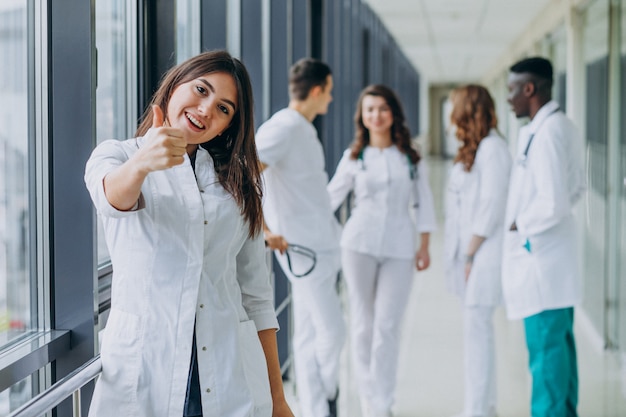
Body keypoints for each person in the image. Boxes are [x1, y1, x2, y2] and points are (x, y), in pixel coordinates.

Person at [84, 50, 294, 417]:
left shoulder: (237, 184)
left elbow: (256, 297)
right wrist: (142, 164)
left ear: (228, 125)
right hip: (147, 369)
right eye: (201, 89)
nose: (207, 109)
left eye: (224, 108)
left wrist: (278, 401)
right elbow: (111, 198)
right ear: (175, 85)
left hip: (227, 373)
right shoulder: (117, 155)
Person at [326, 84, 436, 417]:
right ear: (362, 115)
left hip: (400, 247)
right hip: (358, 244)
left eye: (382, 108)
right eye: (370, 109)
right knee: (362, 325)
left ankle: (384, 403)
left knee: (387, 326)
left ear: (394, 114)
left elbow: (425, 203)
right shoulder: (354, 156)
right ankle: (369, 399)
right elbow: (329, 199)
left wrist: (425, 245)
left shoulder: (411, 156)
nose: (376, 115)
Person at [256, 58, 345, 417]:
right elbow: (245, 173)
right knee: (333, 332)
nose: (331, 100)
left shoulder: (303, 128)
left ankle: (317, 408)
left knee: (309, 336)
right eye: (330, 91)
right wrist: (263, 230)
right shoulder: (284, 127)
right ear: (318, 89)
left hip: (320, 246)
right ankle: (329, 393)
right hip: (303, 251)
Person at [503, 56, 585, 416]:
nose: (509, 99)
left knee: (547, 357)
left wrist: (519, 224)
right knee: (559, 352)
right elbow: (576, 189)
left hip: (543, 266)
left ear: (529, 89)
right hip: (552, 263)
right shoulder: (557, 126)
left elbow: (553, 202)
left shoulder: (549, 132)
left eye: (512, 90)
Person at [444, 85, 512, 417]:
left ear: (468, 112)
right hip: (471, 254)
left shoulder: (494, 149)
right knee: (476, 336)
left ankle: (478, 410)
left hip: (483, 255)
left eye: (455, 109)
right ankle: (485, 407)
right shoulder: (479, 149)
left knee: (478, 339)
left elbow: (491, 206)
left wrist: (470, 254)